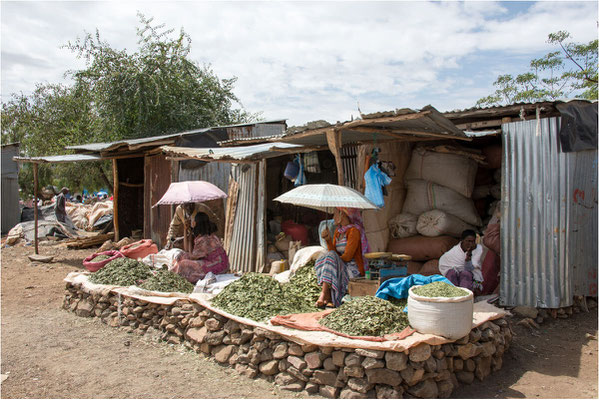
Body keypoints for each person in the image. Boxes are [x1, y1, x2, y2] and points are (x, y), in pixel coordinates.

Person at [314, 207, 370, 308]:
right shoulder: (338, 232)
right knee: (322, 257)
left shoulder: (353, 231)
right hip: (341, 265)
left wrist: (335, 259)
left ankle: (324, 294)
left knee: (330, 256)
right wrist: (328, 240)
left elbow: (347, 257)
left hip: (352, 270)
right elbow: (334, 253)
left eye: (335, 214)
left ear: (342, 214)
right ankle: (328, 295)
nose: (333, 217)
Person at [172, 212, 229, 284]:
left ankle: (177, 275)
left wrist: (183, 255)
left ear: (196, 223)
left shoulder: (204, 240)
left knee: (183, 264)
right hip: (221, 262)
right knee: (183, 259)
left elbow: (195, 256)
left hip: (216, 264)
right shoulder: (210, 235)